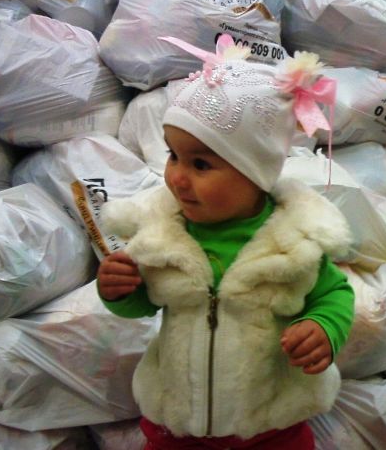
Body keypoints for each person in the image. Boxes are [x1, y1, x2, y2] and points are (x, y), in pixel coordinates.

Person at [97, 34, 355, 450]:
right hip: (177, 425)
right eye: (173, 156)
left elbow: (334, 294)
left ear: (255, 174)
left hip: (272, 427)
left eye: (200, 164)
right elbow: (142, 304)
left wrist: (324, 327)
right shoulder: (161, 234)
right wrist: (119, 291)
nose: (177, 177)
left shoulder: (294, 243)